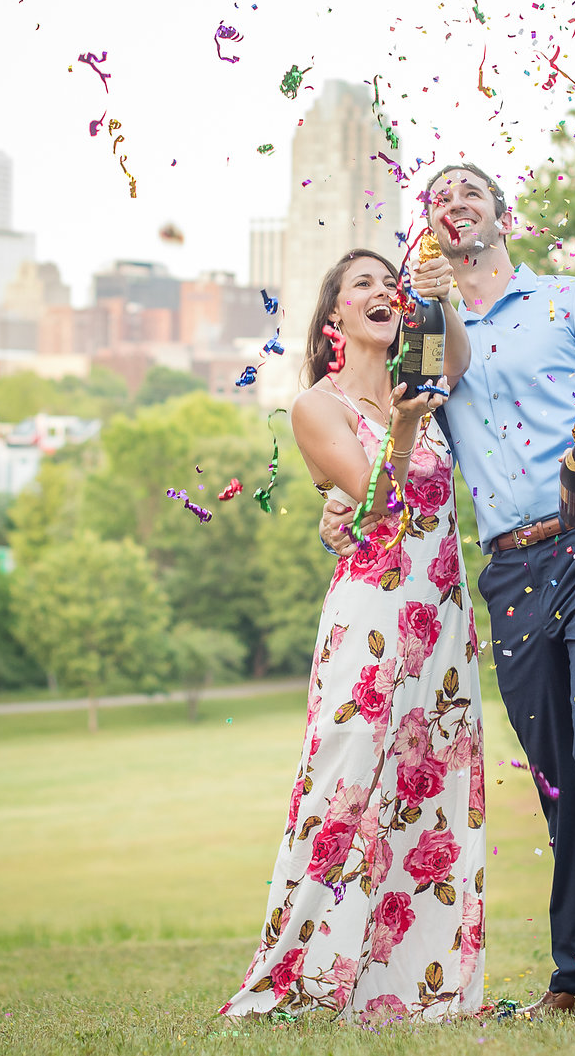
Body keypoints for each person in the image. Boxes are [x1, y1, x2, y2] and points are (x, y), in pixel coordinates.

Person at [322, 167, 575, 1023]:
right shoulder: (427, 335)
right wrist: (337, 500)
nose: (455, 198)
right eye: (438, 193)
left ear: (501, 213)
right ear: (430, 232)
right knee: (558, 774)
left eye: (471, 188)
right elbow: (389, 429)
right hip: (513, 571)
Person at [220, 249, 486, 1024]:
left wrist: (445, 303)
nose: (380, 291)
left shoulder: (424, 384)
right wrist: (400, 431)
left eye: (388, 281)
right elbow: (372, 505)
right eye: (360, 283)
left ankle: (414, 989)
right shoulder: (318, 406)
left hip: (440, 616)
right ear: (334, 314)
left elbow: (458, 357)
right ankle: (291, 976)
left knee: (430, 789)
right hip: (370, 619)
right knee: (340, 789)